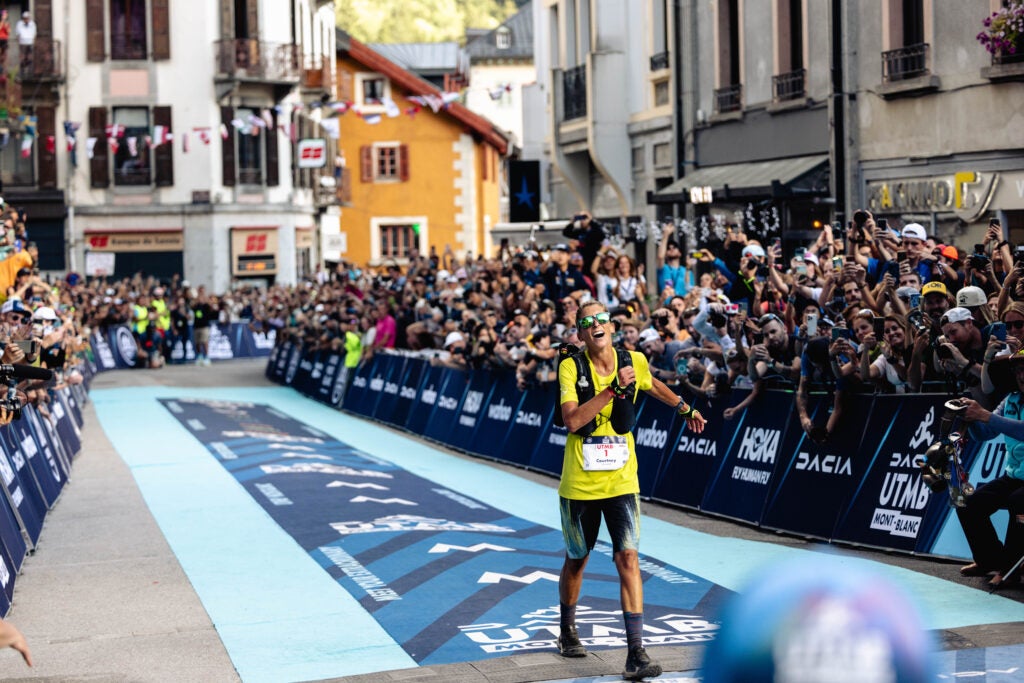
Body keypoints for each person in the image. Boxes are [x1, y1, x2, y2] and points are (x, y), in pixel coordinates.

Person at [556, 300, 706, 680]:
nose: (596, 324)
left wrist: (684, 408)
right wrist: (612, 390)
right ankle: (567, 629)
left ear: (611, 326)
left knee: (628, 558)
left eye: (601, 318)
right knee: (577, 559)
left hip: (622, 480)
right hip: (580, 484)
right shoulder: (571, 367)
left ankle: (636, 653)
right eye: (587, 321)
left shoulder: (633, 360)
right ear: (581, 333)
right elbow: (572, 421)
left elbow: (652, 384)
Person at [956, 350, 1024, 588]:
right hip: (1014, 476)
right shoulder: (1010, 400)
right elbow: (985, 432)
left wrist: (984, 415)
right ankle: (989, 561)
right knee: (967, 502)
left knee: (1019, 501)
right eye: (1019, 370)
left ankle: (1010, 570)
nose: (1022, 375)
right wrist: (971, 419)